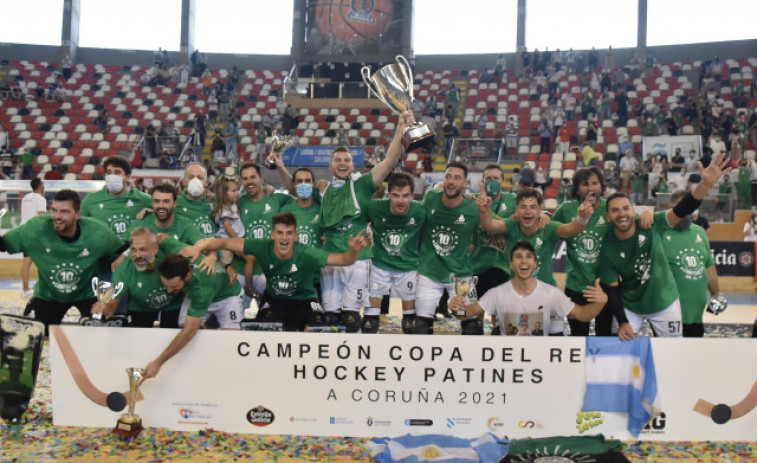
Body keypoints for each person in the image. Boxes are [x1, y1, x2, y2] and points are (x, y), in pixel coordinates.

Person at [277, 113, 408, 332]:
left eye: (347, 160)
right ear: (330, 165)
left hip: (357, 260)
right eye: (338, 160)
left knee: (351, 318)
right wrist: (280, 168)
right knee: (329, 319)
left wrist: (399, 130)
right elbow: (295, 189)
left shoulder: (363, 184)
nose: (343, 163)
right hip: (330, 260)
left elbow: (390, 161)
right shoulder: (323, 188)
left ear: (353, 163)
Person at [599, 152, 732, 340]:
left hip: (665, 302)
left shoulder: (652, 223)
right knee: (621, 348)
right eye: (615, 210)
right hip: (631, 305)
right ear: (608, 217)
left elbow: (682, 208)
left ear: (633, 209)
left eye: (625, 208)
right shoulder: (608, 247)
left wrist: (705, 185)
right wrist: (622, 321)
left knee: (673, 354)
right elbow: (612, 291)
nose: (622, 214)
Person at [182, 212, 368, 332]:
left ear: (295, 235)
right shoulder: (262, 246)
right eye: (280, 233)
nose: (284, 238)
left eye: (289, 233)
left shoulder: (307, 253)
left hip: (304, 300)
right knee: (262, 329)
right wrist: (200, 247)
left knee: (318, 330)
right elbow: (222, 242)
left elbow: (344, 260)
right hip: (275, 300)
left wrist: (353, 251)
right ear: (272, 235)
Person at [0, 190, 127, 333]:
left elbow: (122, 257)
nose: (57, 216)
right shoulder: (34, 228)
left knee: (98, 334)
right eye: (54, 210)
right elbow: (4, 244)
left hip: (88, 292)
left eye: (65, 212)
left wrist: (108, 299)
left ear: (77, 215)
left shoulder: (98, 232)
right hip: (49, 294)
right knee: (40, 336)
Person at [478, 187, 594, 335]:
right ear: (517, 210)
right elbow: (490, 226)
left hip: (548, 296)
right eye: (523, 207)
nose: (528, 212)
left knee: (554, 340)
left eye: (533, 207)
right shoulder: (511, 225)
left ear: (540, 209)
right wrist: (483, 211)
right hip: (517, 294)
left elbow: (571, 229)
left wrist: (582, 218)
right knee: (513, 337)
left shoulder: (548, 227)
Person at [449, 241, 607, 336]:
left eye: (529, 257)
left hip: (539, 366)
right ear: (511, 264)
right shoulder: (496, 294)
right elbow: (467, 314)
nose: (524, 261)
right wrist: (456, 307)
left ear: (535, 264)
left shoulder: (552, 294)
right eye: (518, 257)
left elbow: (582, 315)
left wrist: (600, 303)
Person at [143, 252, 244, 380]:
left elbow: (189, 332)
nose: (169, 291)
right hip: (198, 294)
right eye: (166, 285)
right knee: (183, 326)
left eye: (173, 286)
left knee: (232, 339)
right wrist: (214, 256)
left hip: (227, 296)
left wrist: (158, 363)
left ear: (188, 274)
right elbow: (161, 236)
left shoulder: (201, 289)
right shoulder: (184, 252)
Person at [413, 162, 482, 335]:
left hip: (461, 275)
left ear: (465, 184)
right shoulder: (430, 199)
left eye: (457, 178)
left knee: (472, 327)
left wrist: (545, 216)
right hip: (430, 273)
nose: (451, 181)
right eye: (448, 176)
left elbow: (498, 223)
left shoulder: (474, 209)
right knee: (420, 327)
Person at [553, 167, 614, 336]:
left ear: (601, 187)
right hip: (576, 286)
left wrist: (647, 213)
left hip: (605, 287)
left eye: (595, 183)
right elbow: (549, 229)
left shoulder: (610, 207)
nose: (591, 188)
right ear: (577, 189)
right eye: (585, 184)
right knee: (578, 339)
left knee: (605, 337)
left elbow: (631, 220)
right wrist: (544, 215)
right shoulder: (566, 209)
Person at [363, 172, 426, 333]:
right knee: (369, 322)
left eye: (405, 196)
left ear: (412, 195)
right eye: (396, 195)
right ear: (388, 194)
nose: (400, 200)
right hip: (379, 266)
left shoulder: (420, 210)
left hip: (408, 268)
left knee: (410, 323)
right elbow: (356, 218)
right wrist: (363, 236)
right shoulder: (375, 207)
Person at [92, 227, 187, 328]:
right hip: (140, 309)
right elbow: (113, 302)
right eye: (133, 250)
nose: (137, 255)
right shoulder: (123, 269)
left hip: (173, 305)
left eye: (143, 249)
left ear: (155, 249)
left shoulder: (171, 255)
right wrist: (105, 308)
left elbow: (193, 257)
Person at [662, 191, 719, 337]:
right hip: (668, 317)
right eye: (683, 207)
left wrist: (716, 297)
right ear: (670, 207)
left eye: (690, 208)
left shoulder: (699, 232)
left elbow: (709, 267)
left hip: (696, 317)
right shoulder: (660, 232)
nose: (688, 212)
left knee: (695, 357)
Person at [81, 156, 153, 241]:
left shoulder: (144, 200)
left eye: (117, 172)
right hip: (104, 252)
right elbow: (83, 230)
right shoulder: (90, 200)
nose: (112, 176)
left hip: (134, 251)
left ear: (128, 177)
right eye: (109, 173)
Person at [212, 176, 255, 294]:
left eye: (238, 190)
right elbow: (228, 227)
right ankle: (247, 286)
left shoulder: (233, 205)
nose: (237, 193)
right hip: (228, 242)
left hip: (233, 240)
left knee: (248, 259)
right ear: (224, 194)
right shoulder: (224, 210)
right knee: (241, 261)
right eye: (233, 191)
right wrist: (238, 241)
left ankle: (247, 285)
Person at [129, 183, 205, 246]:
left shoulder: (185, 225)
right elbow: (126, 250)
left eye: (166, 201)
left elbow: (202, 245)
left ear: (175, 204)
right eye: (157, 201)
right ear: (152, 203)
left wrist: (212, 255)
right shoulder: (140, 223)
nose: (161, 206)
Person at [20, 179, 47, 298]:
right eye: (43, 184)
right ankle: (44, 289)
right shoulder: (41, 199)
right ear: (40, 186)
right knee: (44, 261)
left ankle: (25, 289)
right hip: (35, 233)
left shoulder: (25, 198)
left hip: (24, 231)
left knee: (26, 261)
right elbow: (41, 217)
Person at [175, 163, 217, 239]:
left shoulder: (214, 204)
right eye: (191, 177)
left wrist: (215, 197)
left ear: (206, 182)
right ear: (184, 181)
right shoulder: (174, 203)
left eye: (200, 178)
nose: (195, 181)